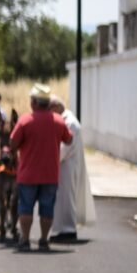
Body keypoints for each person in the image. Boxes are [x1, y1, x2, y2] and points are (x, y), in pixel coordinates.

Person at [10, 83, 72, 251]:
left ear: (35, 103)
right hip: (50, 174)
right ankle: (44, 240)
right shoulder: (59, 121)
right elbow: (69, 139)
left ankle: (25, 239)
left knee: (26, 208)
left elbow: (12, 144)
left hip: (28, 175)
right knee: (47, 209)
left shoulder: (25, 121)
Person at [48, 97, 95, 241]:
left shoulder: (70, 123)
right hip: (65, 165)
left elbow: (66, 147)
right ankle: (62, 229)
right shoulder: (66, 119)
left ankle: (68, 230)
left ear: (56, 107)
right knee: (62, 199)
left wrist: (50, 160)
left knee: (66, 198)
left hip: (67, 166)